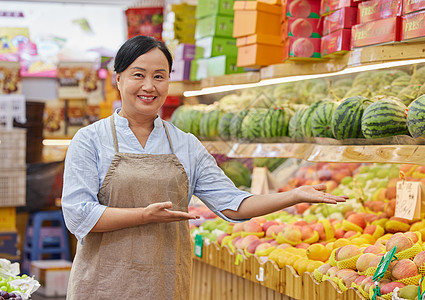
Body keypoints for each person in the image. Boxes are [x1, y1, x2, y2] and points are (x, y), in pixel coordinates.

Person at [61, 35, 348, 299]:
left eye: (159, 77)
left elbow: (233, 204)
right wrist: (144, 215)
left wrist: (294, 195)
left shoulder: (185, 144)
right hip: (102, 286)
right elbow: (78, 215)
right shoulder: (90, 140)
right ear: (118, 79)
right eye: (139, 75)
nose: (150, 86)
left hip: (164, 286)